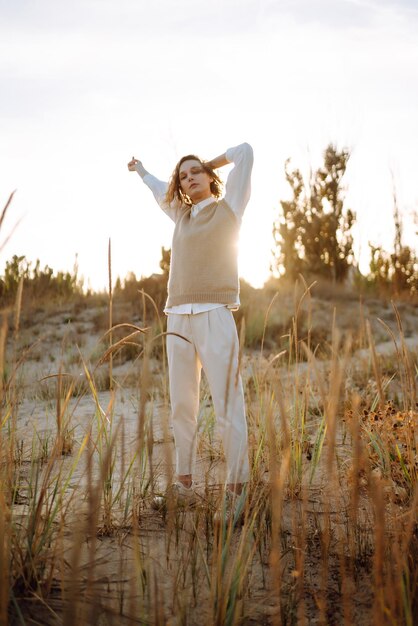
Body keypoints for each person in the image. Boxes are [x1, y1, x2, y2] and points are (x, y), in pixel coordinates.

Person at [128, 142, 253, 520]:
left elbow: (245, 152)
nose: (189, 178)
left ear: (211, 177)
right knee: (183, 405)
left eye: (195, 172)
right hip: (177, 317)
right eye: (183, 176)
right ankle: (183, 485)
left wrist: (208, 165)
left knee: (229, 402)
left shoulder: (230, 207)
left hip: (215, 314)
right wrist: (142, 170)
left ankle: (237, 490)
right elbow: (155, 189)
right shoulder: (180, 215)